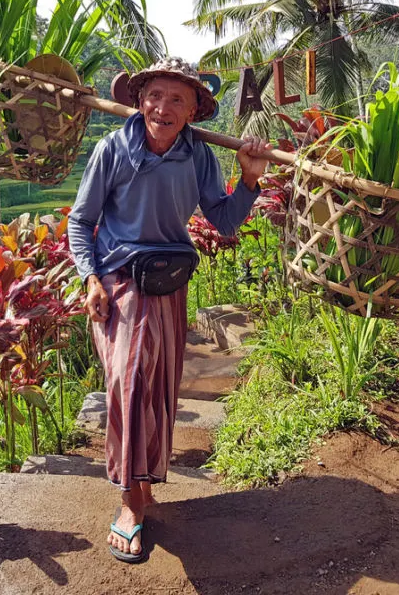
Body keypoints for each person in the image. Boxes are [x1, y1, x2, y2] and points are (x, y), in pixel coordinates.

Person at [67, 57, 271, 563]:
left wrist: (248, 180)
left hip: (169, 282)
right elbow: (80, 221)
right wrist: (90, 279)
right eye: (155, 95)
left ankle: (146, 484)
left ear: (192, 110)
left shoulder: (199, 155)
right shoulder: (112, 149)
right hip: (118, 284)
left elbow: (223, 221)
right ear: (139, 100)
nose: (163, 107)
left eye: (177, 99)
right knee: (129, 382)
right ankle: (130, 504)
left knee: (158, 387)